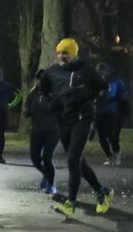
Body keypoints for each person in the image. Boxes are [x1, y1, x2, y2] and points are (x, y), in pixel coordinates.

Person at [41, 38, 112, 219]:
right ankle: (102, 191)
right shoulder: (52, 72)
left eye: (66, 53)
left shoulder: (86, 69)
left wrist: (89, 96)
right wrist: (51, 104)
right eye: (59, 52)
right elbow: (43, 92)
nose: (62, 56)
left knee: (72, 159)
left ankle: (70, 203)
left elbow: (103, 88)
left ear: (74, 53)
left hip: (83, 119)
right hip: (64, 122)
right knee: (79, 162)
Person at [24, 69, 59, 194]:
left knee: (47, 158)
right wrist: (26, 112)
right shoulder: (32, 93)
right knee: (35, 158)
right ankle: (46, 174)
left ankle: (51, 184)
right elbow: (27, 110)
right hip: (37, 130)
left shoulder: (55, 93)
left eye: (41, 80)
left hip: (53, 131)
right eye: (37, 80)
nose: (39, 82)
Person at [94, 62, 129, 166]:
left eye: (104, 71)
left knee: (112, 135)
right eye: (100, 71)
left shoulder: (116, 82)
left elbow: (123, 94)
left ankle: (117, 152)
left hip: (113, 112)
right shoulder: (96, 83)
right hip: (100, 111)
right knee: (101, 136)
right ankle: (108, 155)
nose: (102, 74)